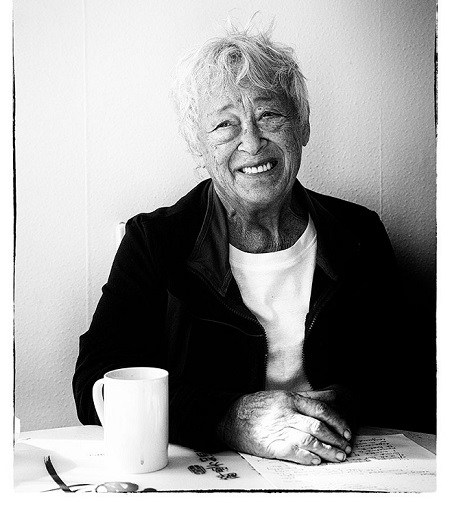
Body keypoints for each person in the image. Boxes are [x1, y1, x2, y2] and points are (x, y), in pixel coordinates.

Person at [73, 27, 410, 466]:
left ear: (303, 125)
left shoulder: (359, 233)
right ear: (199, 144)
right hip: (210, 474)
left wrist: (347, 400)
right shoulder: (155, 243)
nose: (251, 142)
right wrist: (229, 417)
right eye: (225, 123)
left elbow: (411, 375)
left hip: (341, 467)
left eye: (269, 115)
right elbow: (95, 386)